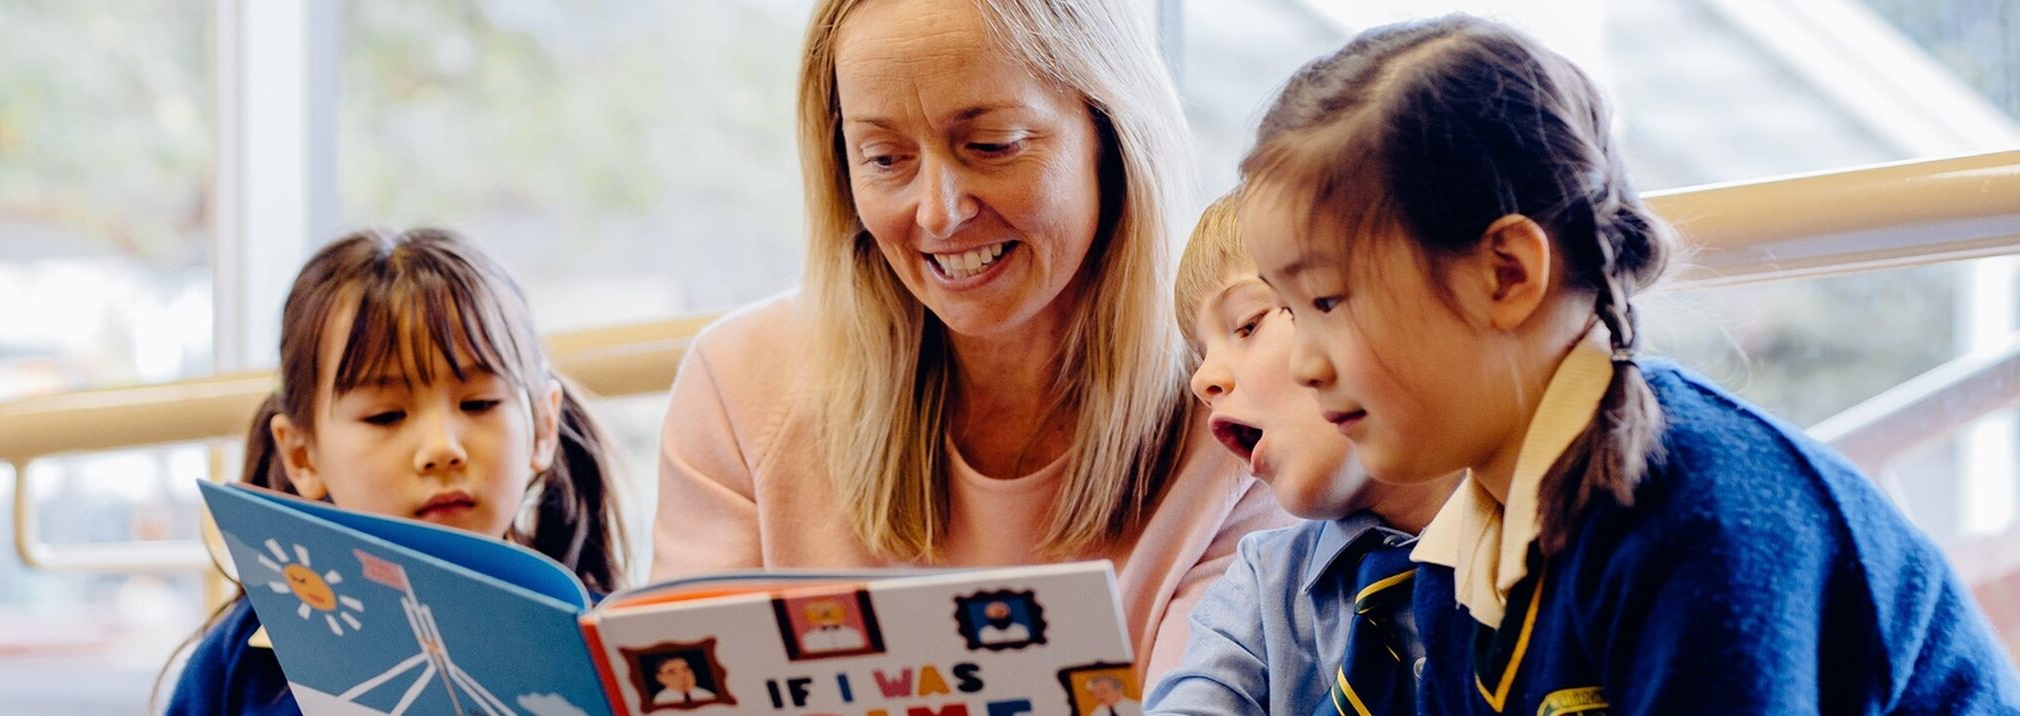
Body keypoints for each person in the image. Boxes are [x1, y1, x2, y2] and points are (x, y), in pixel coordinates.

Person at [1237, 15, 2020, 714]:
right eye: (1287, 310)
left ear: (1507, 275)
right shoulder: (1454, 573)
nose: (1304, 363)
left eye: (1329, 302)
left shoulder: (1708, 523)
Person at [653, 0, 1290, 678]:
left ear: (1112, 135)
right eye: (885, 158)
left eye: (992, 146)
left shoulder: (1248, 407)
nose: (938, 211)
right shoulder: (739, 385)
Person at [161, 229, 627, 715]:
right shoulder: (244, 664)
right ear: (301, 456)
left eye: (480, 403)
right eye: (386, 415)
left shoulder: (616, 653)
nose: (442, 449)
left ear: (544, 426)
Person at [1143, 192, 1458, 715]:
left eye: (1246, 325)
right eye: (1201, 356)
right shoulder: (1259, 587)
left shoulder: (1574, 538)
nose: (1202, 379)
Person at [798, 599, 867, 652]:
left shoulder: (853, 634)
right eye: (818, 614)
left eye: (832, 613)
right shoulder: (809, 637)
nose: (827, 618)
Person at [651, 657, 716, 705]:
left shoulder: (706, 695)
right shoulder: (661, 701)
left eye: (685, 669)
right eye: (672, 672)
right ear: (660, 678)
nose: (683, 676)